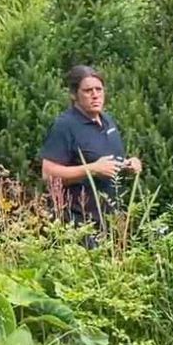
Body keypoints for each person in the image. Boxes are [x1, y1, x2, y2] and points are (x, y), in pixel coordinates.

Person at [40, 65, 142, 231]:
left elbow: (108, 161)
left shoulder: (107, 120)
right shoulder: (65, 126)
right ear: (74, 95)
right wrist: (92, 169)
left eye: (99, 89)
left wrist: (128, 164)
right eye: (88, 91)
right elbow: (48, 174)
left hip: (112, 219)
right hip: (79, 223)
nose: (95, 95)